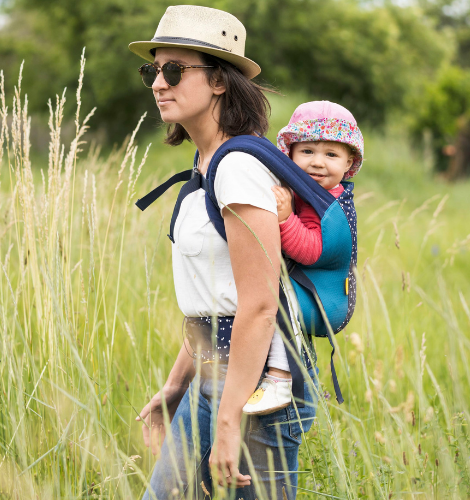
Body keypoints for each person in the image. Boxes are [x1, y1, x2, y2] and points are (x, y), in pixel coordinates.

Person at [129, 5, 318, 499]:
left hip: (255, 388)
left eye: (174, 70)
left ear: (219, 81)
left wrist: (230, 417)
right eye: (153, 70)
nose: (158, 83)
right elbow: (218, 299)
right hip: (215, 373)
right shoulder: (207, 163)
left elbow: (258, 305)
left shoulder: (237, 168)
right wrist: (176, 385)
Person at [242, 101, 363, 416]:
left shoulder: (330, 202)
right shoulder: (305, 191)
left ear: (349, 162)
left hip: (321, 296)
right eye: (307, 151)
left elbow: (312, 251)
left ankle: (281, 377)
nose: (317, 163)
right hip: (310, 287)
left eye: (331, 154)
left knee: (276, 300)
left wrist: (285, 220)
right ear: (290, 154)